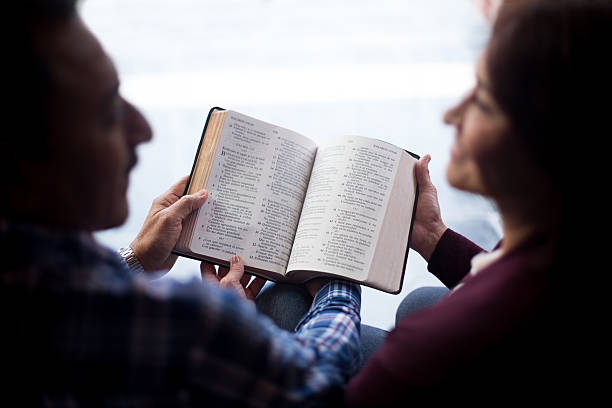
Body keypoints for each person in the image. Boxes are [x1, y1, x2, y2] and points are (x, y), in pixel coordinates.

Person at [1, 1, 361, 406]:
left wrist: (136, 259)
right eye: (107, 113)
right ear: (21, 165)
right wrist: (338, 279)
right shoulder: (182, 324)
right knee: (287, 302)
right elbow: (315, 378)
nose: (143, 130)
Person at [343, 0, 609, 404]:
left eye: (483, 100)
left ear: (549, 141)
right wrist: (434, 237)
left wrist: (329, 297)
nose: (452, 114)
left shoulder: (430, 346)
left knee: (283, 307)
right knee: (419, 301)